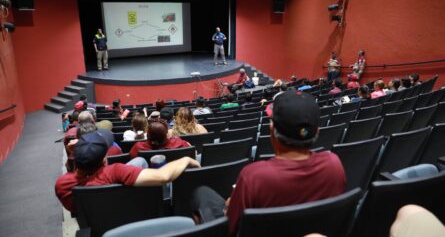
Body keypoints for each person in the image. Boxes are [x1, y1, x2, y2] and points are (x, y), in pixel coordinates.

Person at [191, 91, 346, 236]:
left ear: (272, 130)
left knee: (201, 192)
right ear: (317, 132)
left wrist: (231, 205)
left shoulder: (253, 176)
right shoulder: (334, 164)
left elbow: (231, 229)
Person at [55, 129, 200, 212]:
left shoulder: (62, 185)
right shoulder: (114, 172)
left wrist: (73, 156)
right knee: (141, 162)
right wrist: (186, 159)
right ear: (104, 159)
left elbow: (77, 174)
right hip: (131, 212)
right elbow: (162, 176)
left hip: (99, 224)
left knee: (140, 161)